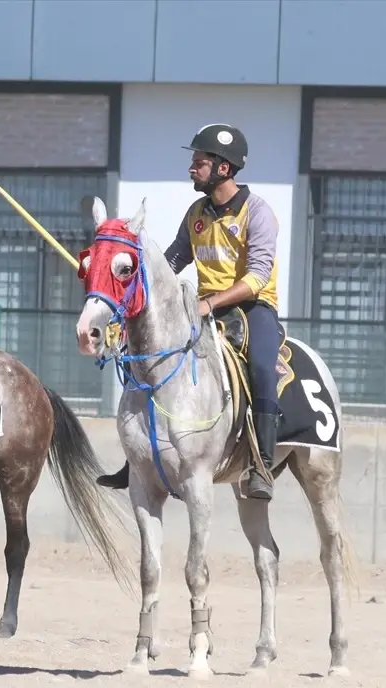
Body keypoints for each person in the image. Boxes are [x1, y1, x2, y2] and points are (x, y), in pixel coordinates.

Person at [96, 123, 284, 500]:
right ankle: (137, 458)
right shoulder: (196, 212)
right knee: (149, 359)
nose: (191, 167)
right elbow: (172, 261)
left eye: (199, 161)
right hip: (202, 307)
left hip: (251, 309)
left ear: (224, 168)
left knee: (263, 367)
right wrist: (134, 288)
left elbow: (257, 277)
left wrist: (208, 304)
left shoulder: (257, 213)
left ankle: (261, 463)